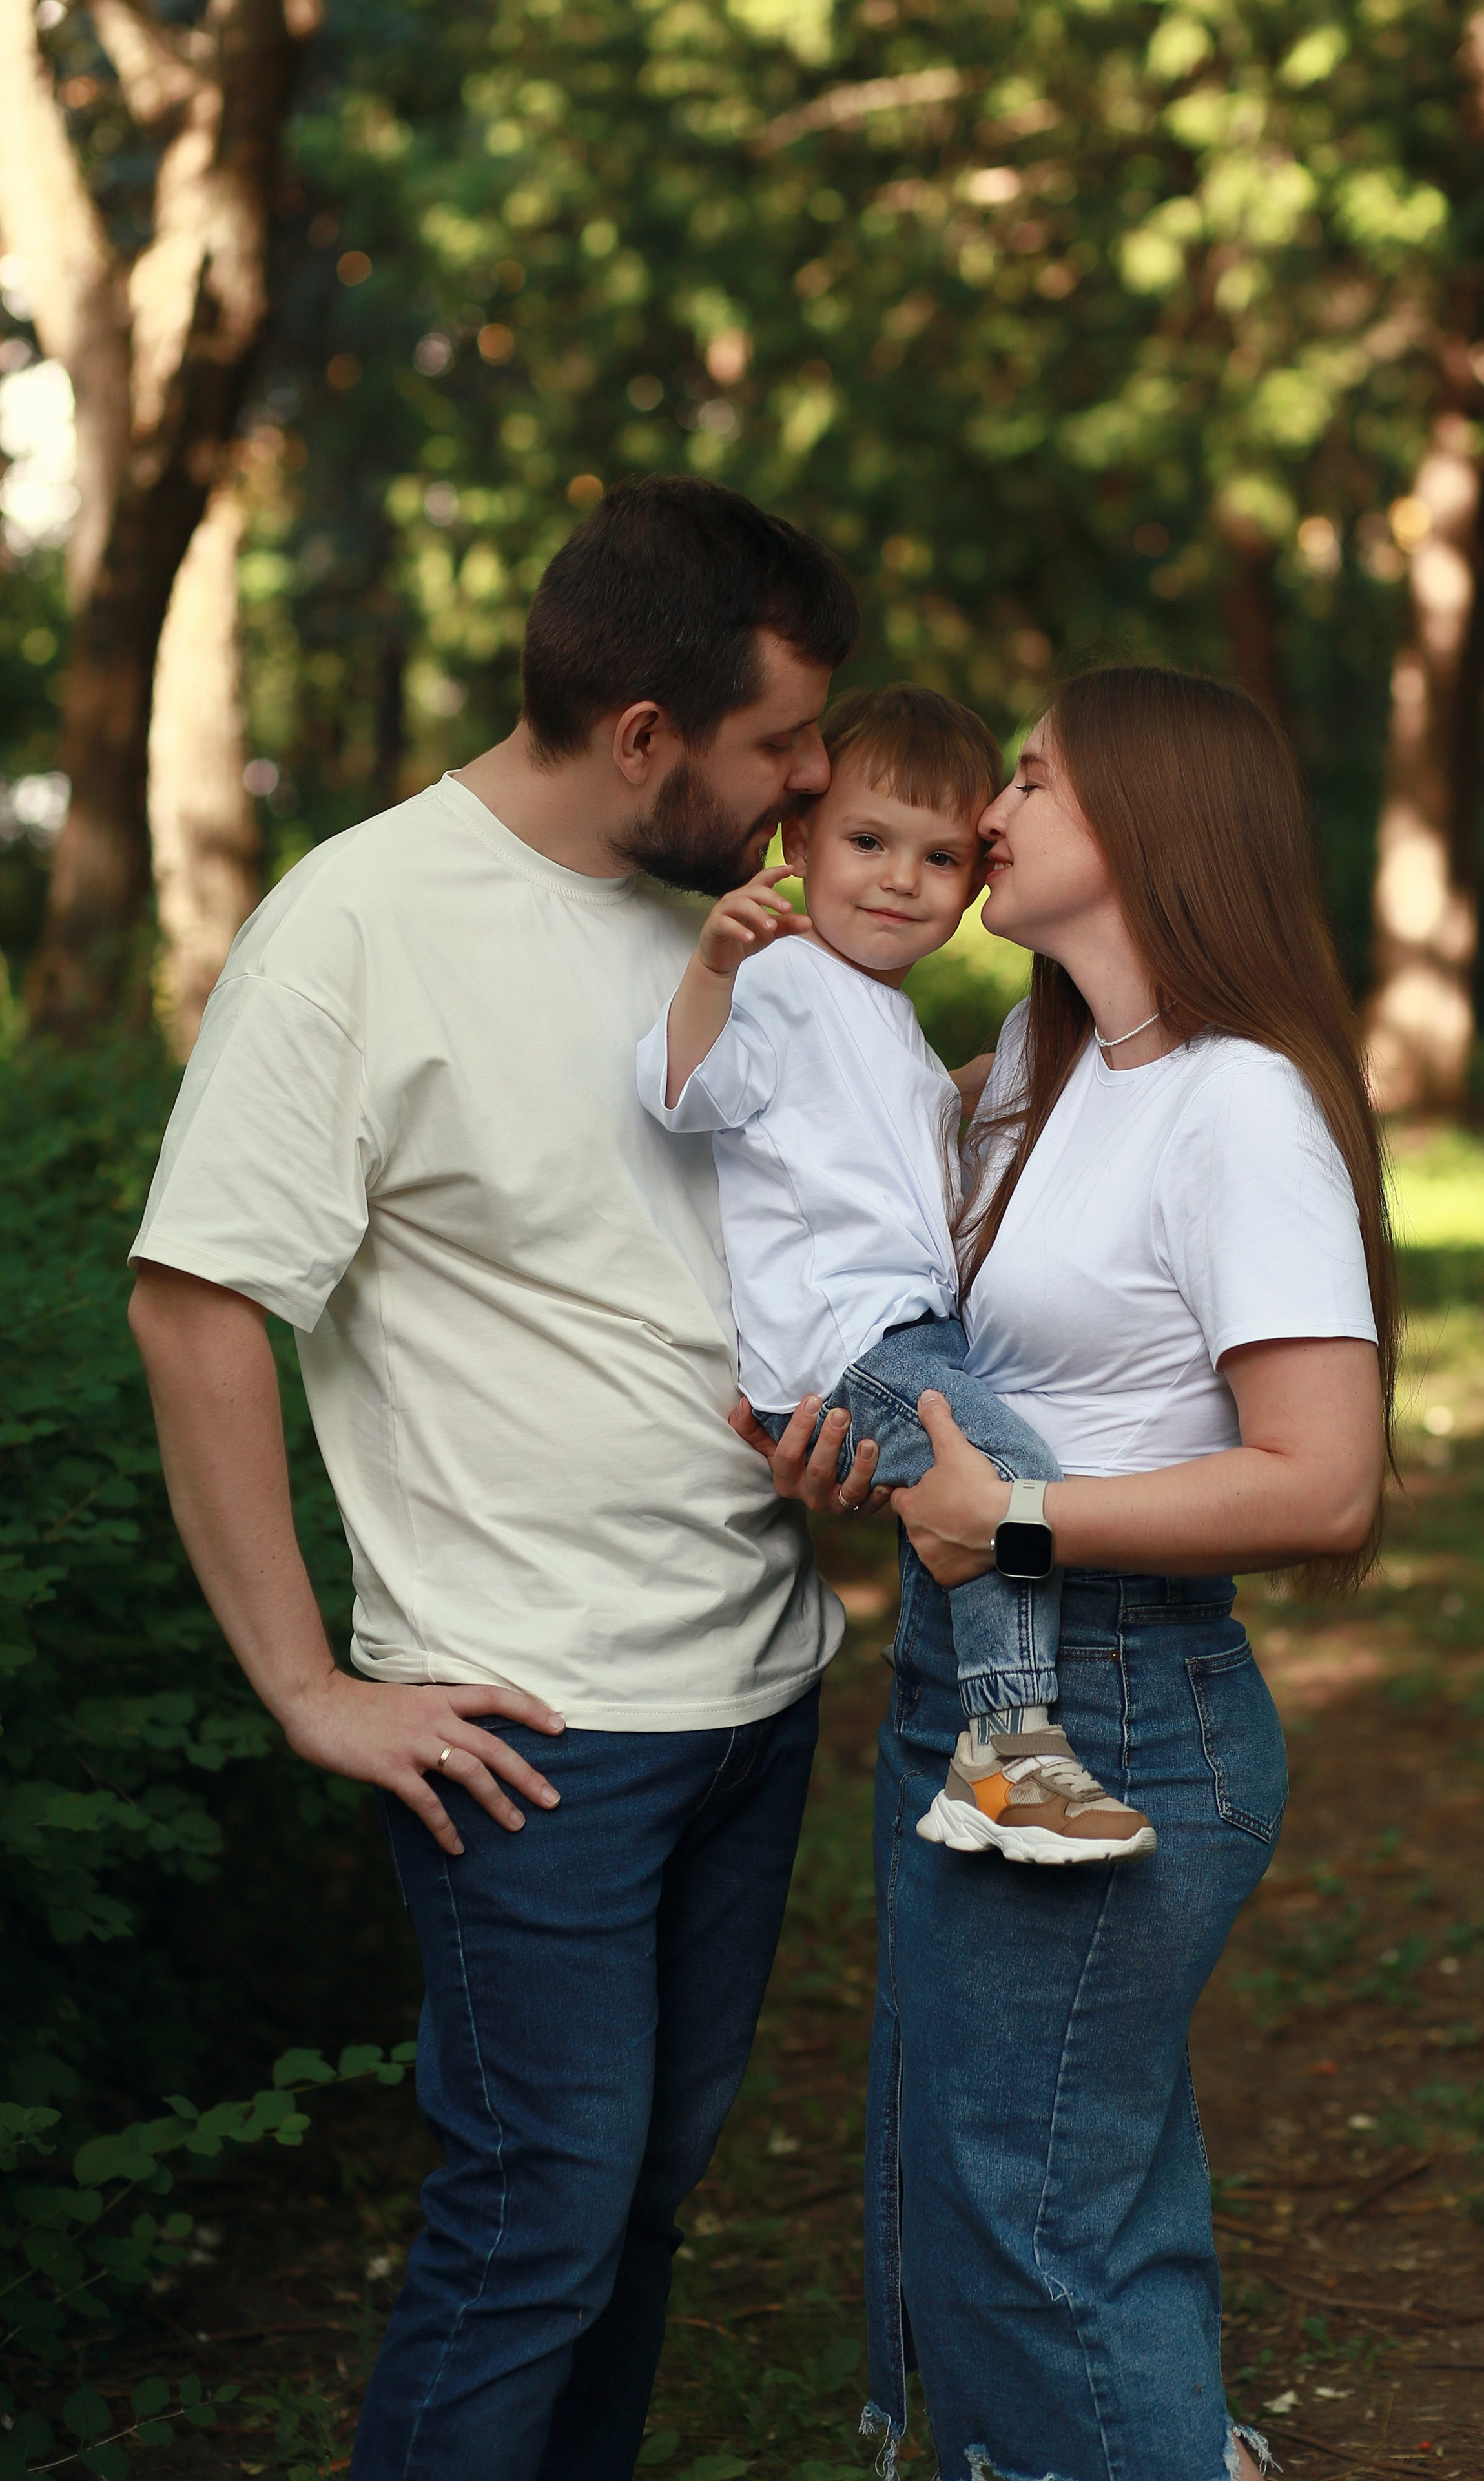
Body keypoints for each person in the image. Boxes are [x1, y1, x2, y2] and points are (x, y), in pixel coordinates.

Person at [126, 475, 860, 2481]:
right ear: (645, 736)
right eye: (783, 742)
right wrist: (306, 1684)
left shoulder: (735, 933)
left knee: (633, 2212)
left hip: (755, 1690)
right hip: (532, 1723)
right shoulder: (360, 924)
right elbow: (199, 1303)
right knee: (533, 2223)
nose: (814, 782)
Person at [737, 665, 1397, 2481]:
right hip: (972, 1676)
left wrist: (1015, 1522)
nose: (987, 817)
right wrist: (849, 1440)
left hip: (1116, 1703)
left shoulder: (1237, 1106)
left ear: (1148, 827)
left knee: (1029, 2221)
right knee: (1032, 2181)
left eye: (1030, 778)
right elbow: (867, 1259)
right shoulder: (1034, 1065)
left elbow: (1325, 1483)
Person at [639, 683, 1155, 1864]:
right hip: (845, 1346)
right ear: (798, 843)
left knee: (999, 1474)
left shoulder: (883, 1015)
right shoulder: (779, 978)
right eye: (867, 842)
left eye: (937, 858)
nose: (897, 879)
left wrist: (973, 1086)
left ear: (971, 891)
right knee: (1012, 1473)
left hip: (898, 1337)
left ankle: (994, 1744)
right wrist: (713, 970)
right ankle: (1008, 1756)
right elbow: (688, 1094)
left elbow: (898, 1148)